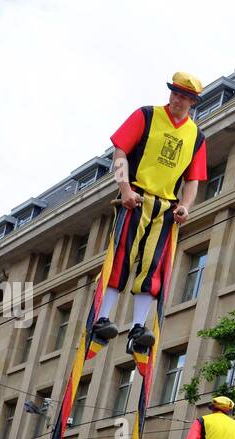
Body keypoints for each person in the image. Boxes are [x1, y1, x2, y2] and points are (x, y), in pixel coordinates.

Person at [93, 72, 207, 354]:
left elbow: (193, 178)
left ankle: (137, 327)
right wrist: (124, 190)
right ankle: (102, 318)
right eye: (175, 93)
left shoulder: (196, 136)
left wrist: (185, 206)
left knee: (152, 265)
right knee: (123, 256)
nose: (178, 100)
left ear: (193, 101)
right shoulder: (146, 116)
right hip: (137, 197)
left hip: (165, 207)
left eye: (185, 97)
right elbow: (120, 152)